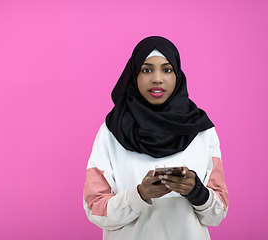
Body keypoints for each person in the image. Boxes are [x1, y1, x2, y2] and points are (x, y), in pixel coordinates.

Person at [83, 36, 228, 240]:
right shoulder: (112, 131)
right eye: (147, 69)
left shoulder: (202, 131)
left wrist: (197, 192)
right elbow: (94, 208)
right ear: (134, 74)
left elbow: (218, 212)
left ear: (177, 74)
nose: (157, 78)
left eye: (167, 70)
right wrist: (140, 194)